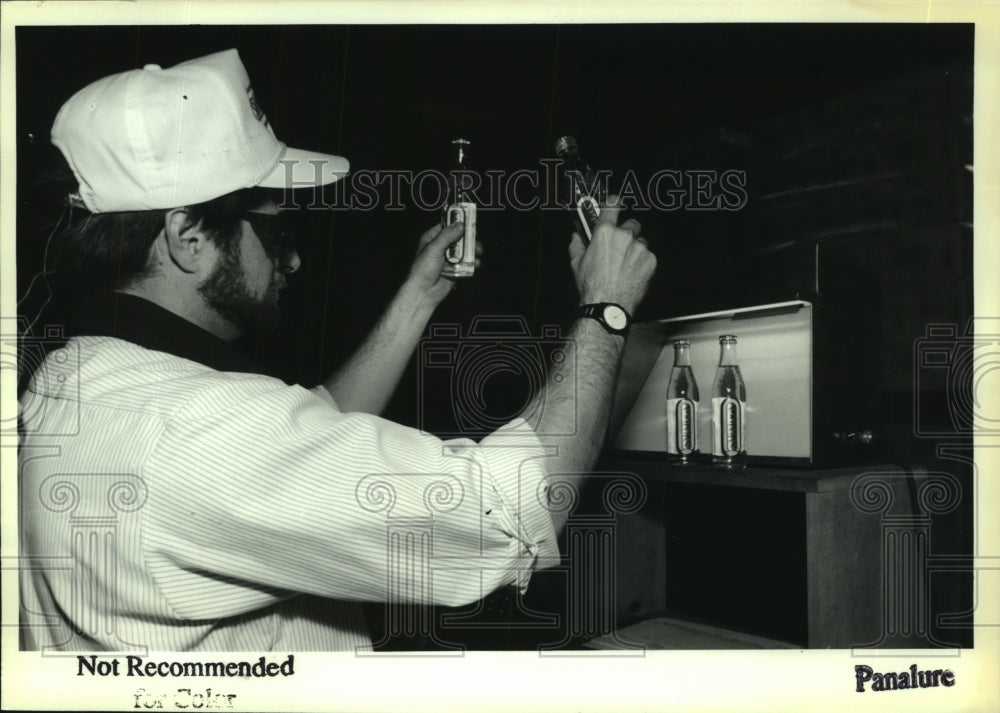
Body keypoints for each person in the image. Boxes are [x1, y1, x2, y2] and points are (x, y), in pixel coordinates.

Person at [18, 49, 656, 651]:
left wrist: (417, 297)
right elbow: (510, 508)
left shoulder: (76, 377)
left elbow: (303, 438)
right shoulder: (193, 430)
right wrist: (606, 306)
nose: (291, 256)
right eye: (275, 229)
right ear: (188, 237)